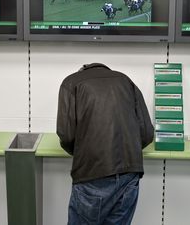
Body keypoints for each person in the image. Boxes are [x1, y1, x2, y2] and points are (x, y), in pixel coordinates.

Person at [57, 63, 154, 225]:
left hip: (92, 174)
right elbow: (146, 134)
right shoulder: (126, 81)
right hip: (130, 174)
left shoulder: (70, 83)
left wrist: (85, 152)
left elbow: (67, 135)